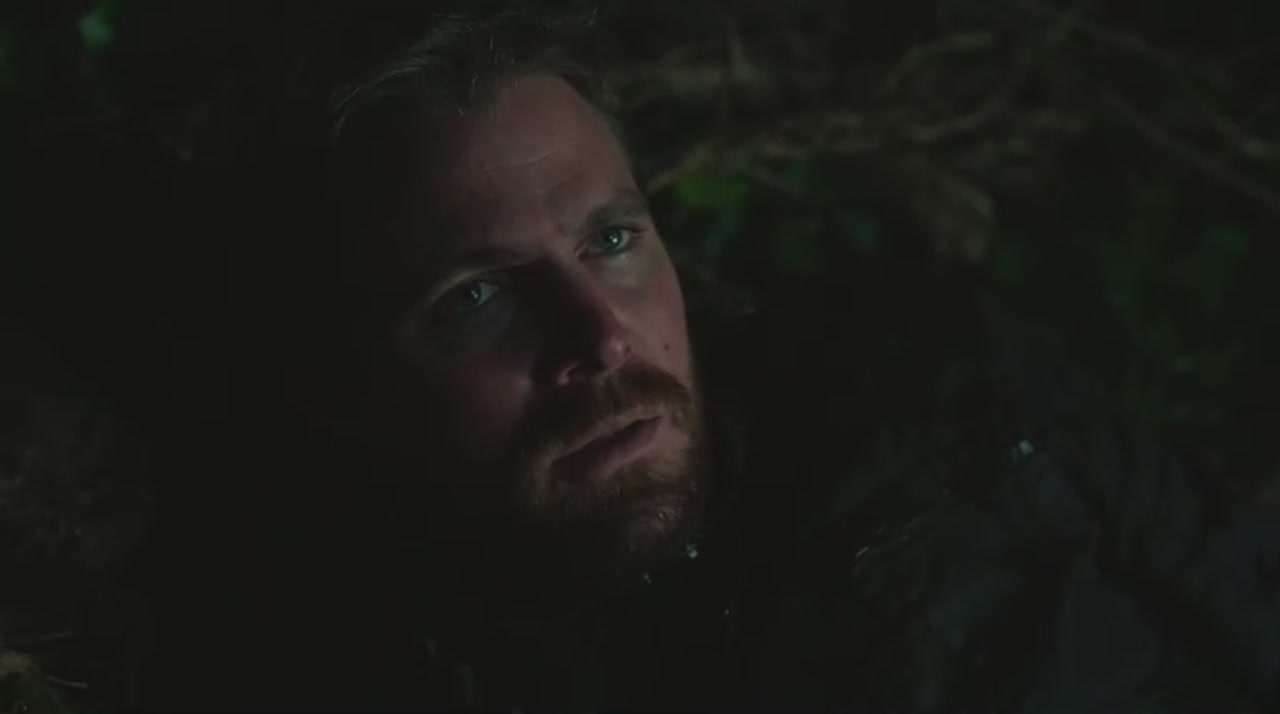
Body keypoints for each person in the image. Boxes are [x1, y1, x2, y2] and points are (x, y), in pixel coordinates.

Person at [144, 8, 1279, 712]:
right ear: (334, 388)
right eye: (478, 297)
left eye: (611, 241)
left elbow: (1232, 574)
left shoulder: (923, 374)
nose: (599, 338)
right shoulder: (368, 666)